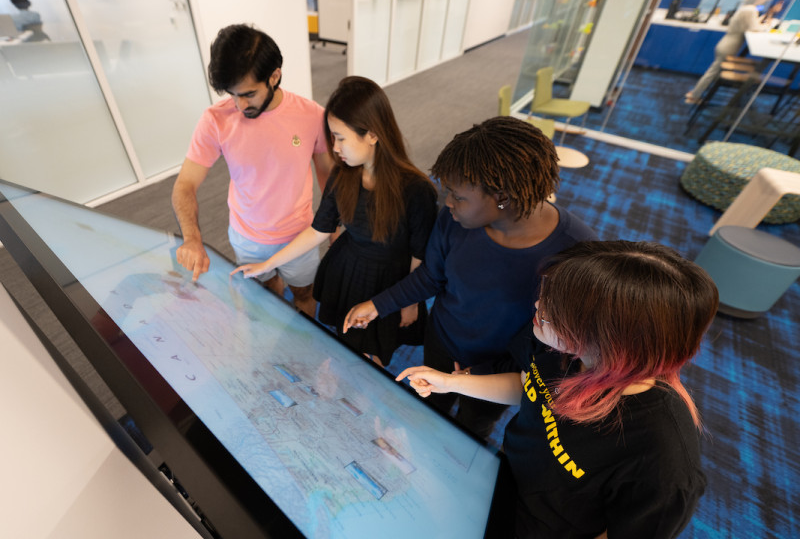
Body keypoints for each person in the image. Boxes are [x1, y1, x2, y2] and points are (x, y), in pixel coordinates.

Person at [398, 240, 718, 538]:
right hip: (502, 484)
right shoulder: (557, 346)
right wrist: (453, 383)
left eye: (557, 306)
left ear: (608, 339)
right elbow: (529, 384)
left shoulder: (663, 457)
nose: (539, 303)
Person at [343, 116, 596, 438]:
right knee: (428, 410)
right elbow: (433, 276)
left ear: (502, 197)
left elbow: (555, 347)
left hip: (503, 367)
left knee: (471, 428)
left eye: (458, 196)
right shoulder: (455, 221)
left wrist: (483, 374)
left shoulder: (577, 253)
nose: (447, 202)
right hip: (443, 342)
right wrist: (379, 305)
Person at [231, 76, 438, 365]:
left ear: (373, 134)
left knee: (372, 352)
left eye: (340, 138)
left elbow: (420, 255)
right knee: (348, 342)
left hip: (389, 283)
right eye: (332, 137)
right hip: (348, 271)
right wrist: (268, 264)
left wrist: (410, 302)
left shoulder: (416, 190)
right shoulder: (344, 174)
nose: (334, 148)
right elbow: (319, 229)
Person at [172, 24, 333, 317]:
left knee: (305, 296)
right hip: (248, 237)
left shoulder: (312, 116)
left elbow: (329, 179)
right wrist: (192, 239)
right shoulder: (215, 120)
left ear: (274, 76)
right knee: (266, 296)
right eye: (232, 95)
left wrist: (334, 232)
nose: (239, 105)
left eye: (248, 94)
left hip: (300, 235)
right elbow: (185, 185)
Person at [685, 0, 780, 104]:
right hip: (729, 46)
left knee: (713, 72)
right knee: (712, 73)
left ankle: (695, 94)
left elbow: (753, 24)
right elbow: (754, 27)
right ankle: (694, 96)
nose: (767, 0)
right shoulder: (750, 10)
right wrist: (768, 25)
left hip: (727, 43)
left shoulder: (747, 8)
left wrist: (769, 14)